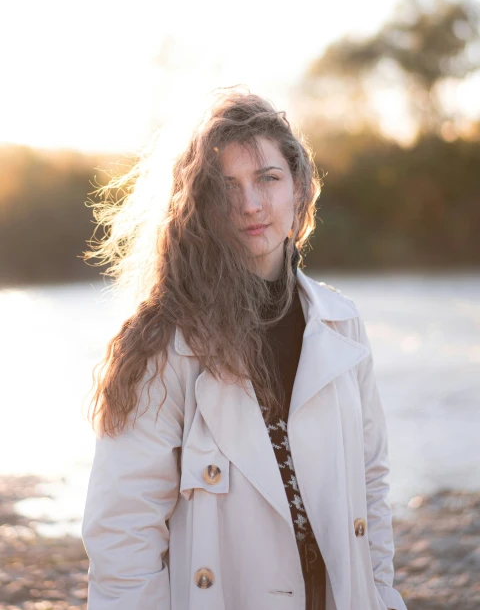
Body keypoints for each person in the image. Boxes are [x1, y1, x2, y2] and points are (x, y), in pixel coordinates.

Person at [81, 88, 408, 610]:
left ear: (299, 189)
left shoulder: (342, 323)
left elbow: (371, 481)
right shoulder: (165, 341)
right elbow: (123, 528)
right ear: (199, 204)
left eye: (267, 179)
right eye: (226, 186)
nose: (250, 204)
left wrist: (382, 594)